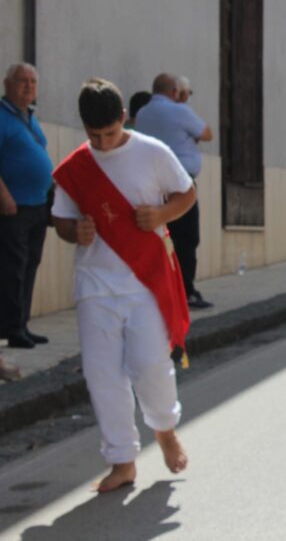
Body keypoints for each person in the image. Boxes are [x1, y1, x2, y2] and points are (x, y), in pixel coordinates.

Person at [51, 78, 192, 493]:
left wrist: (161, 215)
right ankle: (122, 460)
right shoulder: (76, 167)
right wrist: (73, 231)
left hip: (145, 280)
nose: (103, 143)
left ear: (124, 119)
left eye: (110, 133)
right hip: (95, 283)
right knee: (102, 376)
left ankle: (165, 431)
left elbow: (187, 194)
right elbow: (60, 218)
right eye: (94, 135)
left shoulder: (153, 152)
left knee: (150, 366)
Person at [135, 74, 213, 309]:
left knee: (160, 239)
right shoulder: (181, 111)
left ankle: (160, 290)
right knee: (187, 239)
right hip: (179, 185)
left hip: (151, 184)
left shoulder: (143, 113)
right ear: (176, 92)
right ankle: (185, 291)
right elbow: (207, 133)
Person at [0, 63, 52, 349]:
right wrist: (3, 195)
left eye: (33, 81)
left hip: (37, 205)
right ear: (7, 84)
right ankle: (11, 328)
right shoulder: (2, 116)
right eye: (22, 80)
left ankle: (22, 323)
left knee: (30, 264)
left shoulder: (29, 117)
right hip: (13, 206)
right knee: (13, 268)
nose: (29, 86)